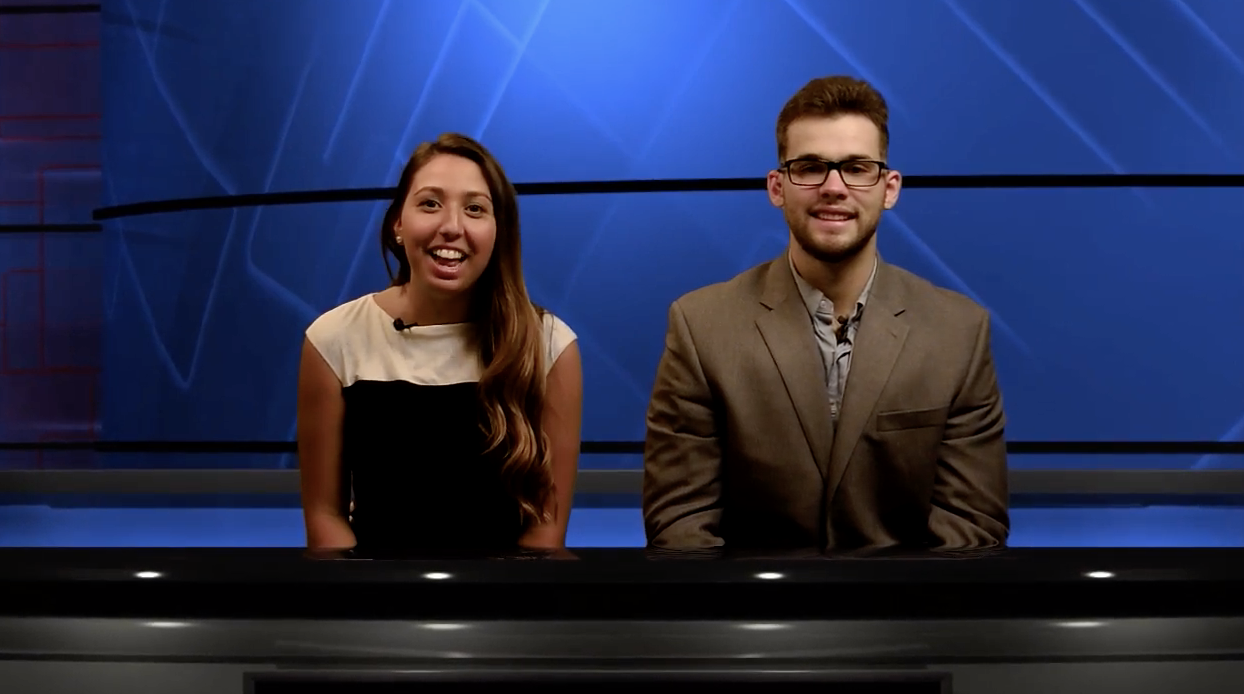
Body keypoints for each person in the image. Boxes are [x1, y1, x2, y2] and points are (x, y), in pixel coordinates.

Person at [642, 76, 1009, 552]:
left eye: (857, 168)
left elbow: (971, 525)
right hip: (751, 596)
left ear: (889, 188)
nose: (834, 188)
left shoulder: (959, 331)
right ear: (777, 187)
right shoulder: (701, 326)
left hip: (909, 599)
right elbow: (681, 524)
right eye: (810, 167)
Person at [297, 133, 582, 553]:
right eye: (430, 204)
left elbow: (545, 532)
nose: (451, 227)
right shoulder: (333, 339)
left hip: (509, 591)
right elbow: (326, 518)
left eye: (474, 209)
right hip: (372, 589)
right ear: (398, 223)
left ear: (499, 232)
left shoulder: (550, 346)